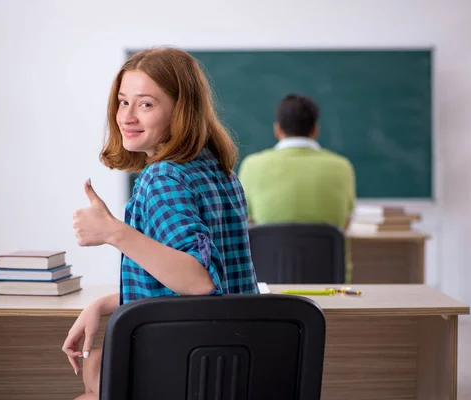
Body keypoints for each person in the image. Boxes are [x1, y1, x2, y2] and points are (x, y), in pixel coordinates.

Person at [62, 47, 259, 400]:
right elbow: (181, 285)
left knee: (93, 378)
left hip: (185, 367)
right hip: (231, 364)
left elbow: (200, 281)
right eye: (123, 102)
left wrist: (113, 232)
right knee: (95, 369)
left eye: (146, 104)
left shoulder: (164, 177)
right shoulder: (218, 170)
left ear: (180, 112)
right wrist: (103, 304)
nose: (127, 117)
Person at [238, 94, 356, 280]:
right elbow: (345, 223)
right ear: (315, 130)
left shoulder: (252, 165)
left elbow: (245, 222)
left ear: (277, 130)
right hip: (329, 282)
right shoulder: (342, 167)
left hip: (268, 284)